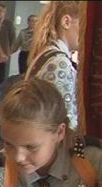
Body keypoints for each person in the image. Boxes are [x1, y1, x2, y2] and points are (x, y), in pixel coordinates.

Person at [28, 1, 79, 130]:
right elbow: (67, 122)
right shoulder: (60, 64)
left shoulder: (47, 53)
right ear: (66, 22)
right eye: (84, 25)